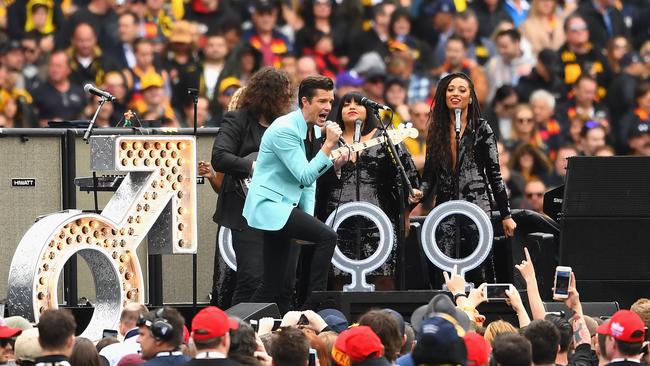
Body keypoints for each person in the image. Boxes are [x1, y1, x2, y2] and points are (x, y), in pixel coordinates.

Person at [242, 75, 348, 313]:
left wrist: (307, 218)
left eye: (330, 102)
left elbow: (308, 186)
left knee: (277, 285)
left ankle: (246, 327)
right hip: (270, 206)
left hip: (285, 208)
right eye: (321, 101)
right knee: (327, 237)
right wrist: (329, 147)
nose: (327, 108)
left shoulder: (313, 131)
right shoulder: (285, 129)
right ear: (305, 101)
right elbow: (305, 176)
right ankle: (314, 303)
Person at [314, 91, 420, 290]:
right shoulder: (327, 141)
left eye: (358, 103)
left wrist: (404, 215)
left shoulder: (386, 138)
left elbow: (410, 181)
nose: (352, 107)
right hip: (337, 222)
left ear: (368, 111)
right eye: (346, 104)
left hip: (379, 224)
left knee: (383, 280)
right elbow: (313, 179)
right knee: (339, 280)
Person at [420, 72, 516, 282]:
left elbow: (494, 174)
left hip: (476, 205)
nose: (456, 93)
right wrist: (417, 196)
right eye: (451, 89)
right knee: (444, 267)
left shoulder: (482, 128)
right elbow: (429, 176)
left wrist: (506, 214)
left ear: (470, 97)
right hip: (445, 206)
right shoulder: (436, 131)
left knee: (480, 267)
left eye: (462, 90)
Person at [210, 67, 294, 307]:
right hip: (246, 209)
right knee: (251, 278)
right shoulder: (238, 120)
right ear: (268, 94)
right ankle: (242, 334)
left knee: (284, 280)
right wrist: (253, 167)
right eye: (283, 95)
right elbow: (220, 157)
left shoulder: (287, 125)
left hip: (280, 207)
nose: (288, 100)